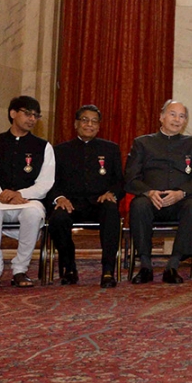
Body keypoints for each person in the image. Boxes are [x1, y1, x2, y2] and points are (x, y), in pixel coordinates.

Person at [0, 96, 55, 289]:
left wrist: (19, 194)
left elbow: (45, 182)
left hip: (29, 199)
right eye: (27, 113)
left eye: (36, 116)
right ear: (13, 114)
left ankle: (20, 269)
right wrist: (1, 194)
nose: (32, 119)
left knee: (34, 213)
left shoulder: (43, 147)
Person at [125, 100, 192, 284]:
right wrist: (149, 192)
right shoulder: (142, 143)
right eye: (172, 114)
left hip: (180, 202)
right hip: (151, 201)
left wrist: (181, 193)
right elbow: (130, 179)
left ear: (185, 121)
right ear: (161, 117)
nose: (177, 120)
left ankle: (173, 265)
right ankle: (145, 265)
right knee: (138, 204)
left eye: (182, 116)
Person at [48, 104, 124, 288]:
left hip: (99, 203)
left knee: (111, 211)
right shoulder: (59, 151)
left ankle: (108, 271)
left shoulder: (111, 149)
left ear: (99, 126)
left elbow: (120, 182)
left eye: (94, 121)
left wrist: (111, 194)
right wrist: (59, 198)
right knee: (57, 218)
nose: (89, 124)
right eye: (85, 120)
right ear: (76, 124)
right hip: (71, 203)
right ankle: (69, 268)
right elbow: (49, 182)